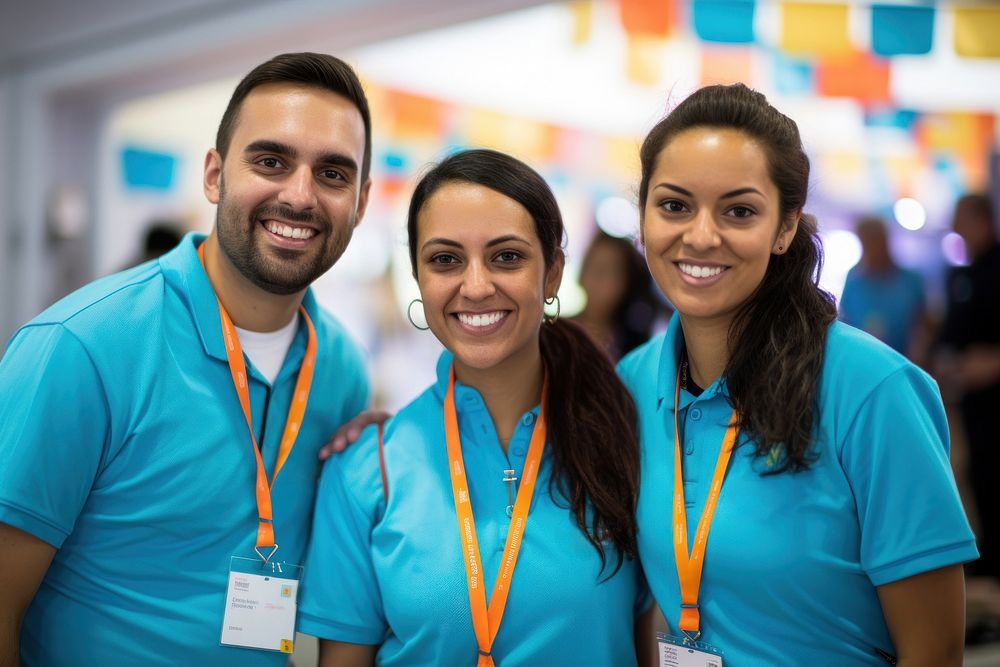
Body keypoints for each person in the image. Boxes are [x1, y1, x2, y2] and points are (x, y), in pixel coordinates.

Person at [0, 52, 373, 666]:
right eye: (271, 160)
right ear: (214, 175)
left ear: (359, 203)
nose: (300, 196)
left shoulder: (341, 372)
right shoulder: (83, 347)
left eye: (333, 174)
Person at [617, 83, 977, 664]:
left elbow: (933, 652)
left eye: (739, 211)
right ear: (644, 219)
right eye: (674, 205)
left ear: (784, 229)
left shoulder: (873, 390)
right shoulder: (632, 383)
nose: (701, 235)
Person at [299, 149, 653, 666]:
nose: (477, 286)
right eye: (445, 259)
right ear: (418, 278)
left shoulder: (624, 438)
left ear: (552, 273)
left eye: (507, 256)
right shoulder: (366, 469)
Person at [936, 193, 1000, 582]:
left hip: (994, 394)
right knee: (980, 476)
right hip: (972, 400)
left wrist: (993, 362)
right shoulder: (964, 272)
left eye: (961, 218)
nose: (956, 226)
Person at [839, 215, 929, 361]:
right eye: (866, 242)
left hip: (903, 360)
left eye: (875, 240)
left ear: (885, 241)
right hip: (861, 360)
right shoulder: (854, 278)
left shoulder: (910, 280)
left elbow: (924, 325)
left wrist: (920, 352)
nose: (871, 248)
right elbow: (844, 320)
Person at [572, 230, 667, 361]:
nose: (597, 278)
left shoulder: (635, 346)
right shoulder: (556, 332)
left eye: (608, 271)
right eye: (593, 266)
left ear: (626, 283)